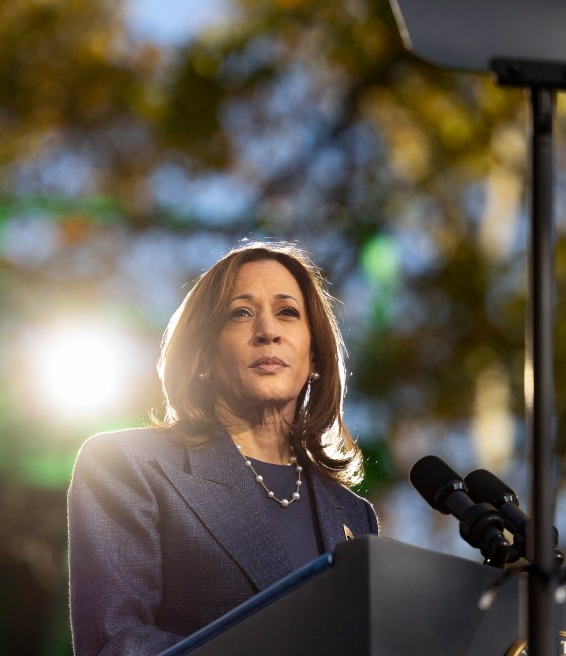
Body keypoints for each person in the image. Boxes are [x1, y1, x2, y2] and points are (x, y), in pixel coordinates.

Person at [68, 240, 378, 656]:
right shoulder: (128, 466)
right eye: (241, 313)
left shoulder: (354, 514)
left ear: (316, 355)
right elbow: (116, 643)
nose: (268, 331)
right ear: (203, 356)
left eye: (288, 312)